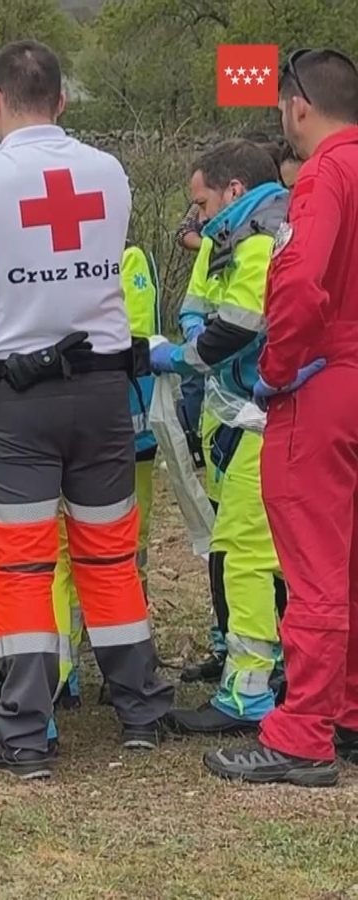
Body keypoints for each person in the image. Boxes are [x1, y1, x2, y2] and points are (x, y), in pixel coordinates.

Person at [0, 40, 173, 779]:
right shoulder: (108, 171)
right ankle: (142, 711)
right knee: (109, 556)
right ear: (62, 102)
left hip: (22, 397)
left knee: (19, 568)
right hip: (105, 393)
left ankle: (25, 732)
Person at [207, 47, 358, 786]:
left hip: (323, 386)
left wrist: (274, 369)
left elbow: (297, 285)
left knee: (313, 567)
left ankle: (301, 733)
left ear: (297, 105)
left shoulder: (326, 175)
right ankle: (349, 713)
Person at [149, 140, 289, 735]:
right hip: (245, 418)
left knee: (248, 556)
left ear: (233, 191)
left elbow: (234, 328)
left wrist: (180, 356)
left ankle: (250, 689)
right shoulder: (240, 236)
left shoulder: (256, 239)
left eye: (202, 203)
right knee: (249, 551)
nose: (198, 219)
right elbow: (203, 309)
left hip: (262, 419)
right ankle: (264, 668)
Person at [52, 242, 163, 709]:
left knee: (121, 553)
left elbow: (134, 333)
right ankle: (66, 676)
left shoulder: (126, 257)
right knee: (66, 554)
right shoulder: (109, 256)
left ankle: (118, 673)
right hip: (100, 428)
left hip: (124, 436)